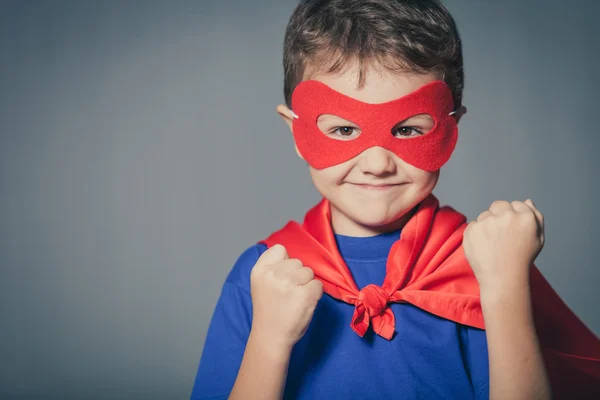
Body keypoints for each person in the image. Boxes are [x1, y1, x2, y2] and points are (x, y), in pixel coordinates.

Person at [191, 1, 600, 398]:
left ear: (451, 129)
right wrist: (269, 342)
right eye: (344, 130)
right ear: (295, 131)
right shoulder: (262, 276)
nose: (376, 164)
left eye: (407, 130)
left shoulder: (480, 266)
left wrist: (505, 285)